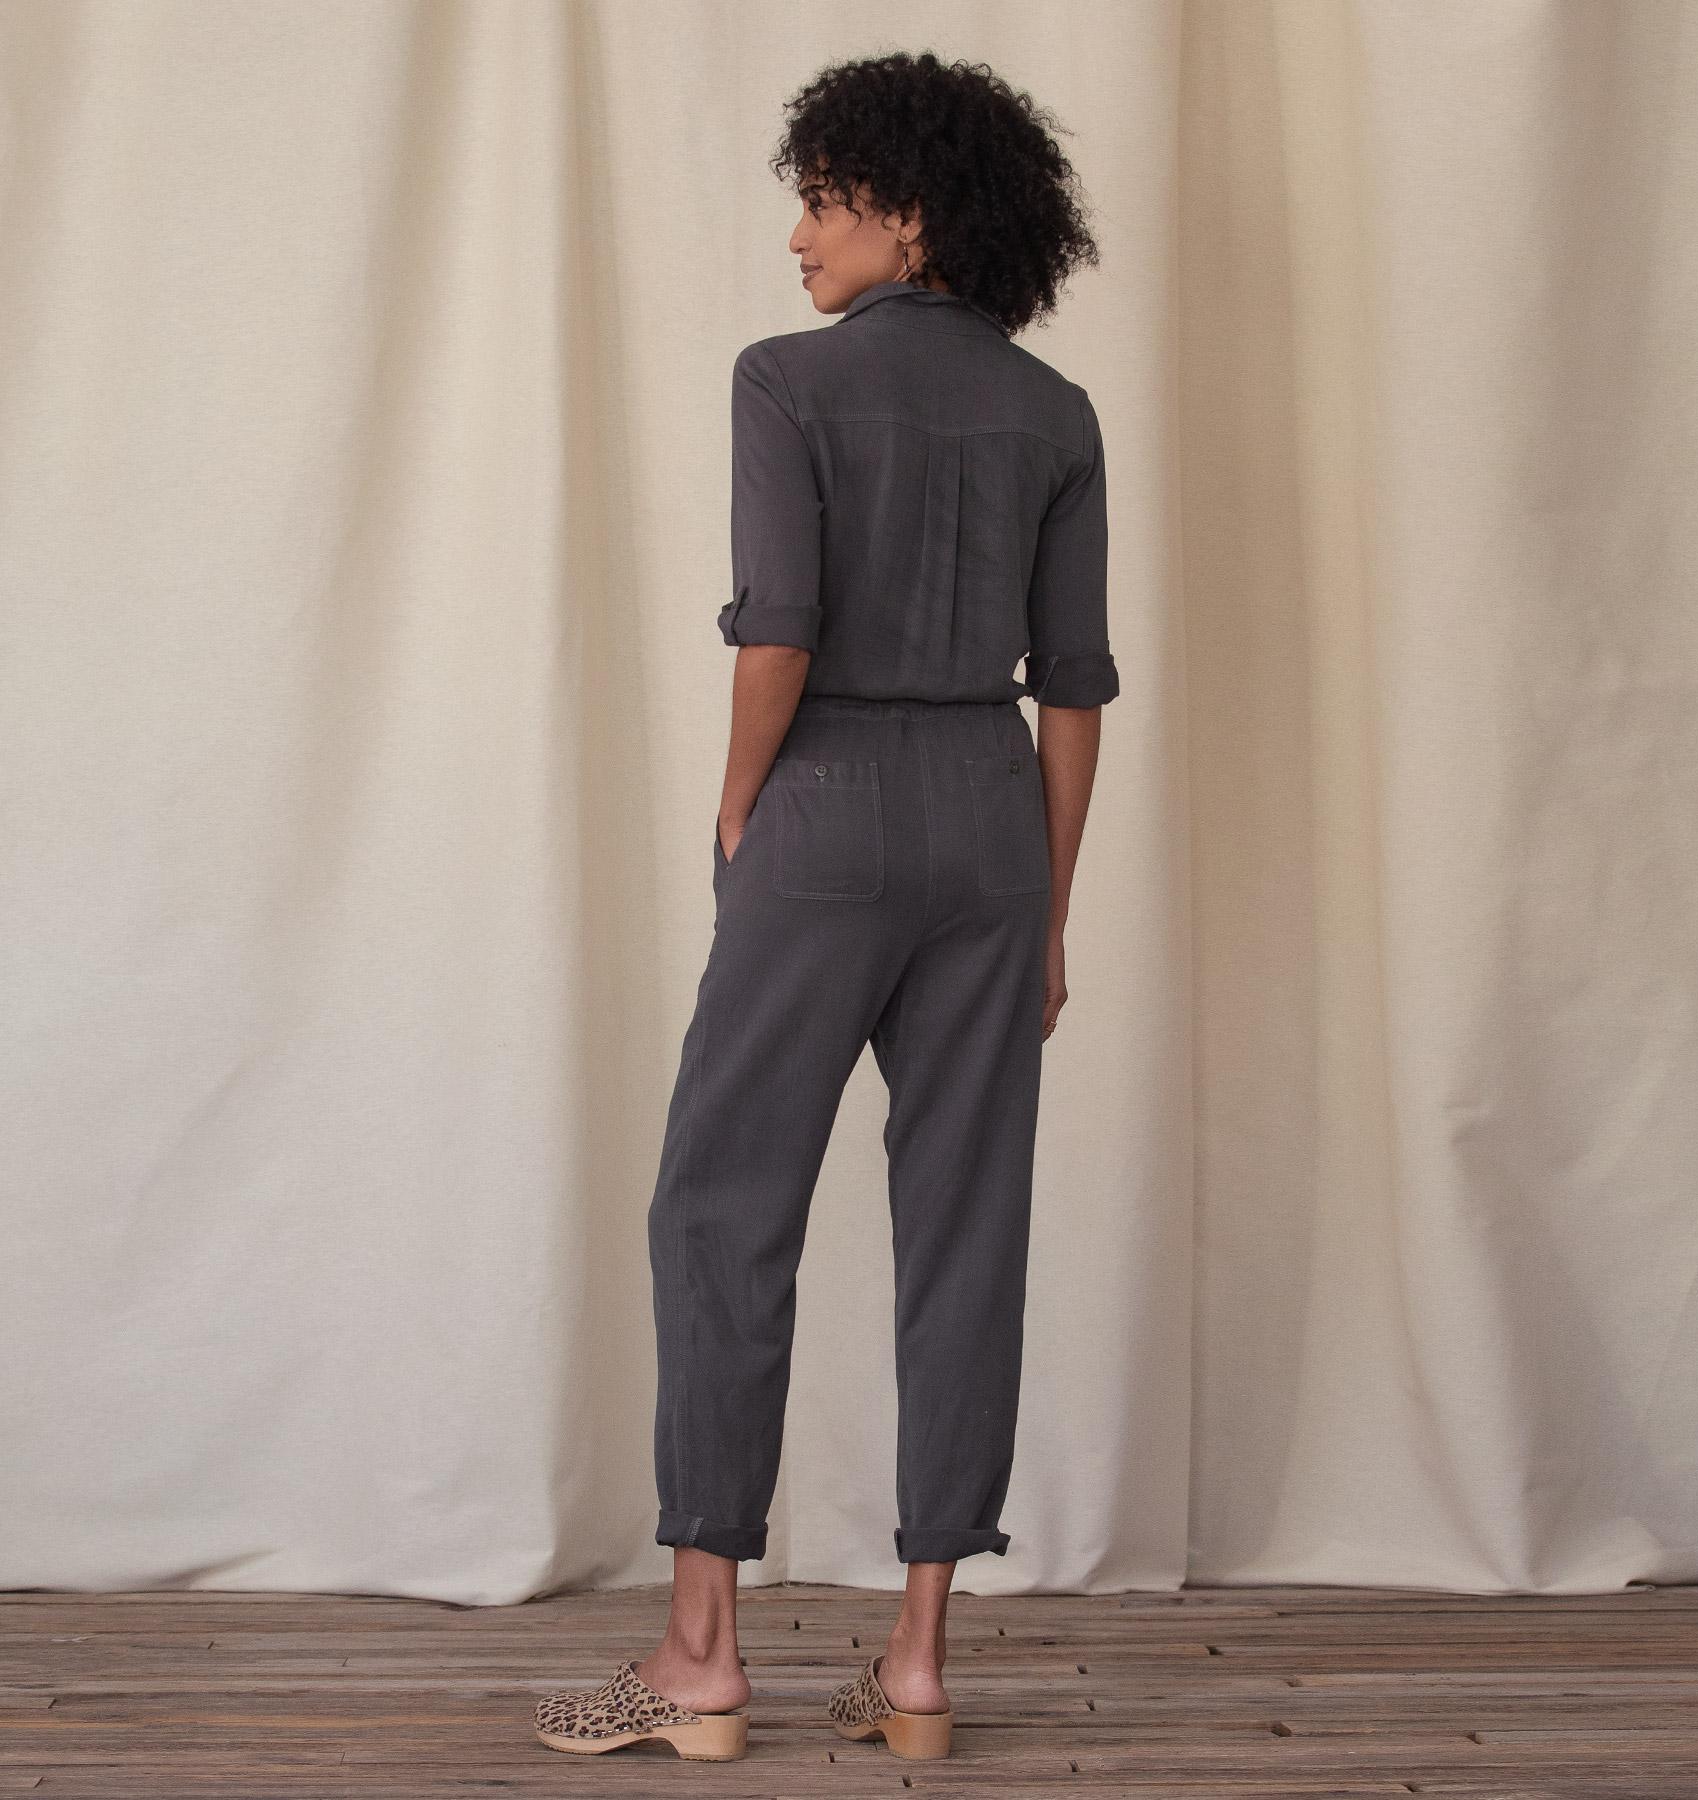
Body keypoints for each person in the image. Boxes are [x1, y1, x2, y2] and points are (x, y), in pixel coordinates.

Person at [534, 49, 1119, 1764]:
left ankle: (700, 1657)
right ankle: (918, 1663)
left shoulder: (784, 380)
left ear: (910, 217)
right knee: (967, 1221)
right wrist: (1050, 909)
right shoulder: (1058, 412)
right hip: (995, 825)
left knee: (723, 1205)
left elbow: (777, 631)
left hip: (828, 810)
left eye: (824, 201)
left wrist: (741, 802)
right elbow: (1076, 689)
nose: (798, 236)